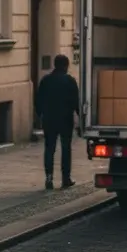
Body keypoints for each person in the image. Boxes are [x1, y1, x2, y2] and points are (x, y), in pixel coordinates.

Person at [35, 55, 80, 190]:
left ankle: (49, 178)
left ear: (55, 65)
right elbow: (76, 101)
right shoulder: (70, 81)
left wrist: (40, 114)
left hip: (49, 119)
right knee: (66, 148)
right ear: (66, 66)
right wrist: (80, 118)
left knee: (49, 148)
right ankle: (66, 178)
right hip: (65, 119)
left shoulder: (46, 80)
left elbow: (38, 100)